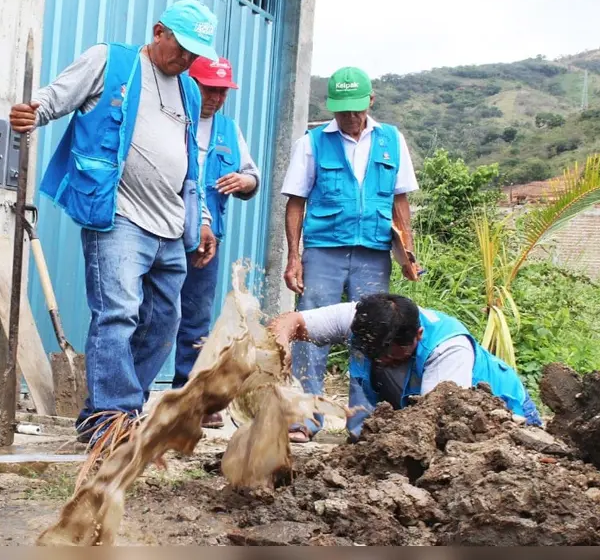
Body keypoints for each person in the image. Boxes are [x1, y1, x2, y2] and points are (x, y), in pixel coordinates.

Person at [9, 0, 220, 448]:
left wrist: (199, 216)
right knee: (118, 314)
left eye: (195, 54)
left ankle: (117, 412)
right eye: (181, 48)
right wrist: (33, 112)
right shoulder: (112, 60)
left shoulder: (190, 89)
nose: (186, 59)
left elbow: (192, 164)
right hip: (119, 216)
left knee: (164, 322)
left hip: (170, 222)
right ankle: (112, 417)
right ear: (159, 31)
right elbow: (55, 97)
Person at [280, 66, 422, 443]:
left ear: (370, 101)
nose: (348, 118)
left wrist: (408, 253)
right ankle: (303, 419)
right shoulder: (311, 143)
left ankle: (362, 423)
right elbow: (295, 202)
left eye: (355, 110)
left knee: (373, 333)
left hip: (373, 254)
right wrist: (294, 257)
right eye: (341, 110)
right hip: (323, 250)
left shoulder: (392, 140)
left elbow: (400, 200)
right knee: (309, 332)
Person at [268, 293, 543, 442]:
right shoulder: (361, 318)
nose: (382, 361)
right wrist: (282, 344)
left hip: (506, 418)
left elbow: (433, 425)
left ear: (418, 335)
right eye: (374, 355)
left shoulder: (448, 350)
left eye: (393, 357)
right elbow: (290, 321)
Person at [169, 55, 260, 429]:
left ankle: (190, 396)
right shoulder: (173, 120)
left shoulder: (228, 129)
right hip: (165, 230)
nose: (216, 98)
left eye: (222, 91)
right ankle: (133, 396)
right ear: (191, 82)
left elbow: (252, 176)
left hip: (208, 241)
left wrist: (244, 182)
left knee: (196, 319)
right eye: (209, 88)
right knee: (151, 315)